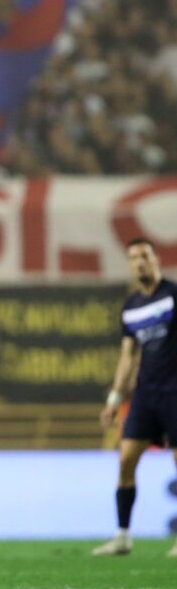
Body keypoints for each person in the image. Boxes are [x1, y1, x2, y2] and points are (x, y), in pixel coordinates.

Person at [94, 238, 177, 557]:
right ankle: (123, 536)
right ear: (129, 265)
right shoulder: (131, 307)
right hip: (146, 393)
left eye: (144, 256)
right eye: (133, 258)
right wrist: (114, 399)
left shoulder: (172, 296)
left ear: (156, 259)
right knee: (126, 459)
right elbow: (128, 356)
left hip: (174, 391)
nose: (139, 262)